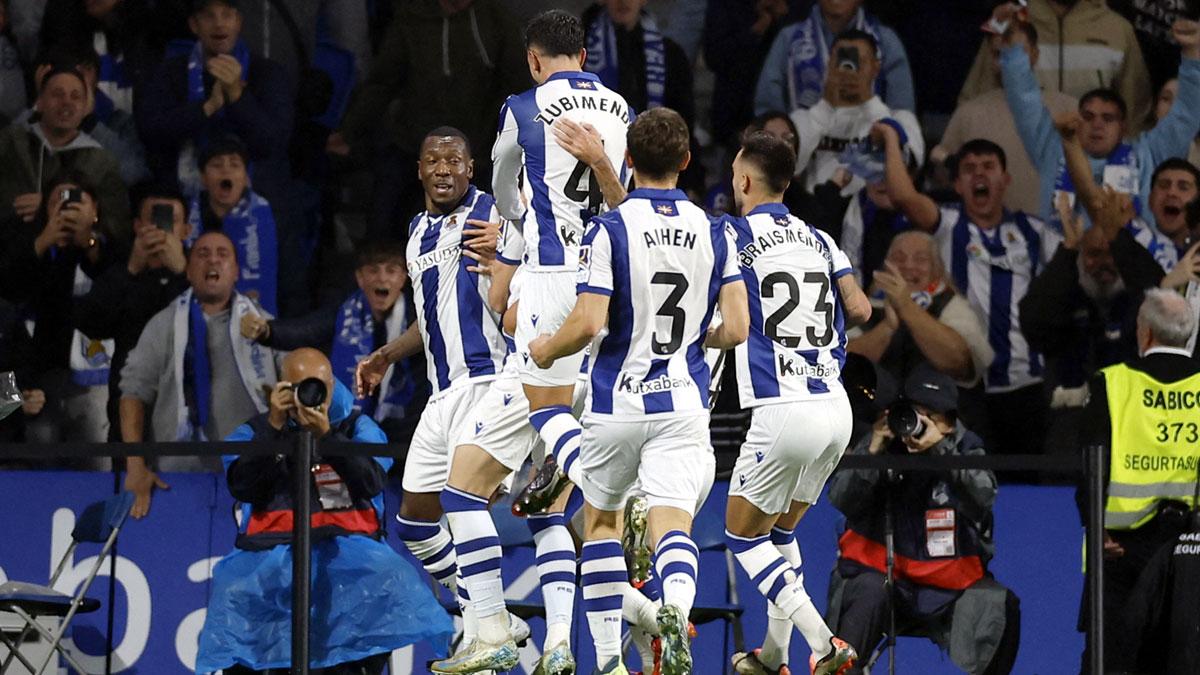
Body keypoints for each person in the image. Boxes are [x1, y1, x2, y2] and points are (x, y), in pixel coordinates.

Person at [519, 107, 749, 675]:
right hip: (684, 403)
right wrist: (704, 334)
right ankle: (673, 608)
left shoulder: (610, 229)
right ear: (687, 161)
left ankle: (608, 663)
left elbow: (590, 322)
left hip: (617, 401)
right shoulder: (717, 231)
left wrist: (547, 348)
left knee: (599, 523)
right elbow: (737, 330)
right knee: (675, 523)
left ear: (628, 159)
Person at [355, 127, 528, 662]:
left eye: (455, 159)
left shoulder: (498, 213)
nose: (444, 168)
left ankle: (490, 629)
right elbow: (431, 319)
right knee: (413, 521)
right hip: (442, 391)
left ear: (471, 168)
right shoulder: (415, 233)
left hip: (489, 381)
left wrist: (511, 249)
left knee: (464, 502)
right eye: (434, 160)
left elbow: (547, 257)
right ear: (420, 170)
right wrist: (387, 353)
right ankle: (488, 615)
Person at [194, 348, 454, 675]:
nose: (311, 395)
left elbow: (371, 481)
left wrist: (327, 437)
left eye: (318, 385)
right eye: (299, 386)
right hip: (269, 551)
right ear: (282, 388)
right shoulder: (255, 431)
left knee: (387, 576)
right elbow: (243, 486)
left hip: (351, 550)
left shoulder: (359, 426)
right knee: (234, 588)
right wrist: (274, 429)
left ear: (332, 384)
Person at [721, 130, 869, 675]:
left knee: (741, 533)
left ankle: (825, 643)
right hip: (836, 409)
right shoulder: (823, 240)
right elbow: (861, 309)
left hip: (784, 410)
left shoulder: (731, 237)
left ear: (743, 179)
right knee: (780, 533)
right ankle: (774, 657)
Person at [490, 9, 632, 516]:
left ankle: (575, 466)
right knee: (592, 406)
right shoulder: (621, 109)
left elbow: (502, 186)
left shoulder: (524, 107)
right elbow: (625, 204)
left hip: (552, 274)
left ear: (533, 60)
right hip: (609, 280)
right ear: (584, 56)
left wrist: (519, 219)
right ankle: (585, 475)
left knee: (545, 406)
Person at [826, 365, 1021, 675]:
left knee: (998, 603)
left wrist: (941, 451)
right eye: (915, 412)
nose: (919, 423)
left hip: (950, 583)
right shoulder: (883, 444)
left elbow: (985, 497)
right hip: (885, 577)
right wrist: (873, 447)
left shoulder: (965, 446)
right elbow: (841, 499)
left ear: (950, 423)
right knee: (864, 591)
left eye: (933, 415)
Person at [886, 136, 1062, 460]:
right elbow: (903, 196)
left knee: (1029, 484)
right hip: (968, 389)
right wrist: (889, 137)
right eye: (969, 169)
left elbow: (1072, 270)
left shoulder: (1035, 232)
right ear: (957, 184)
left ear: (1005, 180)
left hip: (1027, 385)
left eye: (988, 167)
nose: (979, 174)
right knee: (975, 480)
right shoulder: (948, 225)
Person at [331, 0, 528, 243]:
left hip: (479, 150)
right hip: (412, 145)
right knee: (385, 228)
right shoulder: (410, 17)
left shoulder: (495, 18)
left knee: (480, 237)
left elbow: (519, 84)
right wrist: (350, 131)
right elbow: (383, 82)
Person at [1078, 288, 1200, 672]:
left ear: (1144, 332)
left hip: (1119, 548)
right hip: (1190, 547)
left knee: (1111, 658)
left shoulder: (1112, 383)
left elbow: (1092, 465)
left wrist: (1096, 527)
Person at [119, 231, 280, 518]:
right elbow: (132, 393)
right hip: (175, 481)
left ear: (236, 272)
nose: (213, 261)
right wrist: (135, 465)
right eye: (202, 254)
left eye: (222, 254)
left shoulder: (265, 327)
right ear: (189, 270)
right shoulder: (163, 325)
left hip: (251, 482)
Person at [997, 13, 1200, 231]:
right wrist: (1013, 47)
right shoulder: (1052, 149)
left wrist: (1193, 53)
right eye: (1088, 116)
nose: (1097, 125)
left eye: (1108, 118)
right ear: (1077, 121)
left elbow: (1187, 112)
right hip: (1063, 261)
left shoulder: (1148, 154)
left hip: (1130, 262)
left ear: (1124, 127)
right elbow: (1024, 99)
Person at [240, 240, 426, 443]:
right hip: (351, 426)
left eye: (391, 271)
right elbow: (307, 330)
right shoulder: (344, 312)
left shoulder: (419, 320)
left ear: (403, 278)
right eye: (373, 271)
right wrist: (267, 331)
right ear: (360, 278)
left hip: (407, 427)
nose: (382, 278)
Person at [135, 0, 293, 203]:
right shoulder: (169, 72)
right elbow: (150, 132)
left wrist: (237, 97)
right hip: (181, 201)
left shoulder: (268, 73)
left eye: (227, 15)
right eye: (209, 16)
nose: (219, 24)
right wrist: (207, 107)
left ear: (238, 22)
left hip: (257, 199)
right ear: (194, 25)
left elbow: (272, 143)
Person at [7, 174, 121, 448]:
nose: (67, 207)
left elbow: (117, 293)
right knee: (39, 468)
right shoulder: (27, 248)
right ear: (45, 209)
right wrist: (45, 240)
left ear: (94, 210)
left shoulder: (114, 251)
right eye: (58, 199)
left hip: (96, 383)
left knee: (97, 471)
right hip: (35, 384)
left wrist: (88, 243)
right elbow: (9, 293)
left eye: (76, 199)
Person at [74, 184, 192, 440]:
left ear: (186, 230)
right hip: (129, 403)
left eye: (170, 221)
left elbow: (213, 319)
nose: (162, 230)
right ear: (138, 226)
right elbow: (91, 323)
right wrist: (130, 270)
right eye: (154, 220)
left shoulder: (200, 270)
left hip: (187, 400)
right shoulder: (122, 269)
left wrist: (183, 273)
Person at [935, 20, 1077, 216]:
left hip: (1058, 233)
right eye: (998, 54)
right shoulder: (969, 114)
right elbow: (943, 175)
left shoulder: (1068, 110)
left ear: (1035, 55)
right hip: (988, 238)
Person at [959, 0, 1151, 129]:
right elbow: (977, 102)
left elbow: (1135, 116)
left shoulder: (1117, 29)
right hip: (1021, 162)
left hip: (1092, 171)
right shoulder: (1010, 24)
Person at [581, 0, 703, 194]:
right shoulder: (581, 50)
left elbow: (683, 120)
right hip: (593, 161)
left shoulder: (670, 55)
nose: (622, 2)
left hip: (653, 164)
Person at [0, 65, 130, 242]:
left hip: (73, 258)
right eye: (57, 94)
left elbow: (117, 226)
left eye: (75, 97)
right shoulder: (10, 142)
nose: (67, 102)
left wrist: (50, 206)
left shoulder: (101, 161)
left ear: (85, 107)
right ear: (41, 102)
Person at [788, 29, 924, 198]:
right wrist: (827, 105)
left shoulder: (901, 120)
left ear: (876, 68)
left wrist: (868, 102)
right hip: (817, 215)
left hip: (872, 217)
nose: (850, 69)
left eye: (858, 61)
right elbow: (788, 167)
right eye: (842, 61)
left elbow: (907, 166)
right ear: (829, 64)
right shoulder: (802, 119)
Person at [848, 230, 993, 387]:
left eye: (921, 259)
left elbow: (960, 364)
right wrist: (887, 327)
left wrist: (906, 306)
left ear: (936, 269)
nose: (908, 266)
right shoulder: (865, 307)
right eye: (899, 258)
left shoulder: (952, 305)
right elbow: (842, 364)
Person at [754, 0, 913, 114]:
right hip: (802, 150)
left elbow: (902, 111)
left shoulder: (885, 42)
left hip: (870, 152)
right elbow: (768, 110)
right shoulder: (789, 39)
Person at [187, 134, 279, 315]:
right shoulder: (185, 215)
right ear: (204, 177)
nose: (225, 171)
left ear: (246, 177)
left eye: (235, 165)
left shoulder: (269, 215)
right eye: (217, 165)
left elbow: (291, 282)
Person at [703, 0, 808, 150]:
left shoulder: (799, 8)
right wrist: (756, 29)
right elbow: (714, 57)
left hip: (791, 124)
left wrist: (783, 16)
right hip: (735, 120)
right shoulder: (726, 5)